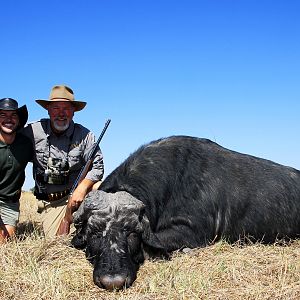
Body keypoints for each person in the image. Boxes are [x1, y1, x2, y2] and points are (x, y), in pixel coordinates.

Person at [22, 85, 104, 238]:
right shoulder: (32, 131)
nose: (61, 113)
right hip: (52, 201)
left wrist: (82, 188)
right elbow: (10, 143)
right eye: (56, 108)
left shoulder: (86, 135)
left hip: (79, 195)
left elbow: (98, 167)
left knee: (101, 187)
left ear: (74, 111)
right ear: (48, 110)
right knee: (58, 241)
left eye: (66, 108)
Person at [0, 98, 32, 244]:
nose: (8, 119)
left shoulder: (26, 144)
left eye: (13, 115)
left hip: (9, 203)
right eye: (3, 115)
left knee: (5, 243)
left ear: (19, 121)